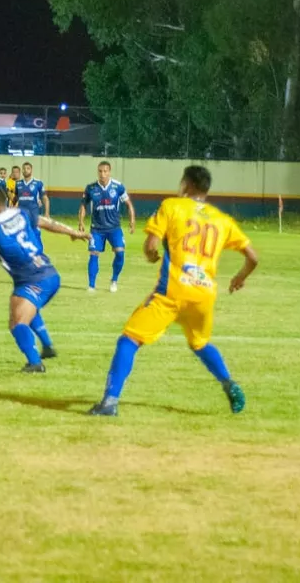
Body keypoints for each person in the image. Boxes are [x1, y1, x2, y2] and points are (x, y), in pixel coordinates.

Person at [88, 166, 259, 417]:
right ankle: (228, 383)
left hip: (173, 291)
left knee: (129, 339)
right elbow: (252, 257)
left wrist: (151, 254)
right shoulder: (221, 219)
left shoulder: (172, 206)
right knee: (200, 343)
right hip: (203, 295)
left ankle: (109, 402)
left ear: (186, 184)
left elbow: (150, 244)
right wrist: (239, 278)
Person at [0, 186, 89, 373]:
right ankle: (48, 347)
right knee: (24, 305)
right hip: (49, 273)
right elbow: (46, 222)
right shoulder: (21, 212)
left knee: (17, 322)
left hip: (34, 281)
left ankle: (35, 363)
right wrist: (72, 232)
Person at [78, 161, 137, 293]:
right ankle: (91, 286)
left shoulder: (118, 187)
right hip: (97, 229)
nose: (103, 174)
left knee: (120, 253)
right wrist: (81, 222)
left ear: (109, 172)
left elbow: (128, 204)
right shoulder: (91, 188)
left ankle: (114, 280)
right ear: (97, 172)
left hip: (114, 228)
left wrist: (132, 220)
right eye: (100, 171)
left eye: (105, 171)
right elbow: (83, 205)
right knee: (94, 254)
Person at [15, 162, 49, 228]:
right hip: (21, 215)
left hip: (34, 213)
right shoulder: (18, 184)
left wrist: (46, 212)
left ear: (31, 170)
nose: (26, 170)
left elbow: (45, 198)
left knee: (35, 234)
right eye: (24, 168)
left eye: (28, 168)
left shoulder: (38, 183)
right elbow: (16, 199)